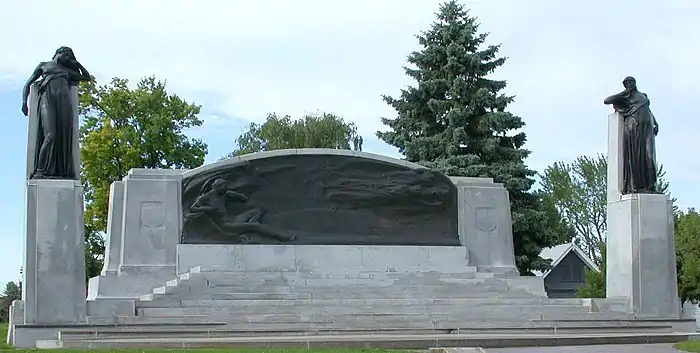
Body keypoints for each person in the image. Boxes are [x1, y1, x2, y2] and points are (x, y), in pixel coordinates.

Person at [21, 46, 92, 179]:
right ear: (59, 53)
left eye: (70, 58)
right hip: (47, 100)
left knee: (63, 136)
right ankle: (40, 171)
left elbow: (86, 77)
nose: (68, 59)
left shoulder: (68, 71)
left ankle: (61, 171)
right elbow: (28, 84)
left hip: (64, 103)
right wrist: (24, 102)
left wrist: (77, 64)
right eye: (67, 56)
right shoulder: (44, 66)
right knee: (50, 135)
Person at [604, 76, 659, 194]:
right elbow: (607, 100)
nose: (629, 84)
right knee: (637, 157)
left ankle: (651, 186)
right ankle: (639, 186)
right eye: (626, 84)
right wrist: (624, 93)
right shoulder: (626, 97)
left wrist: (655, 122)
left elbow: (648, 111)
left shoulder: (643, 95)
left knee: (649, 157)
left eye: (630, 82)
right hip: (634, 128)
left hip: (647, 128)